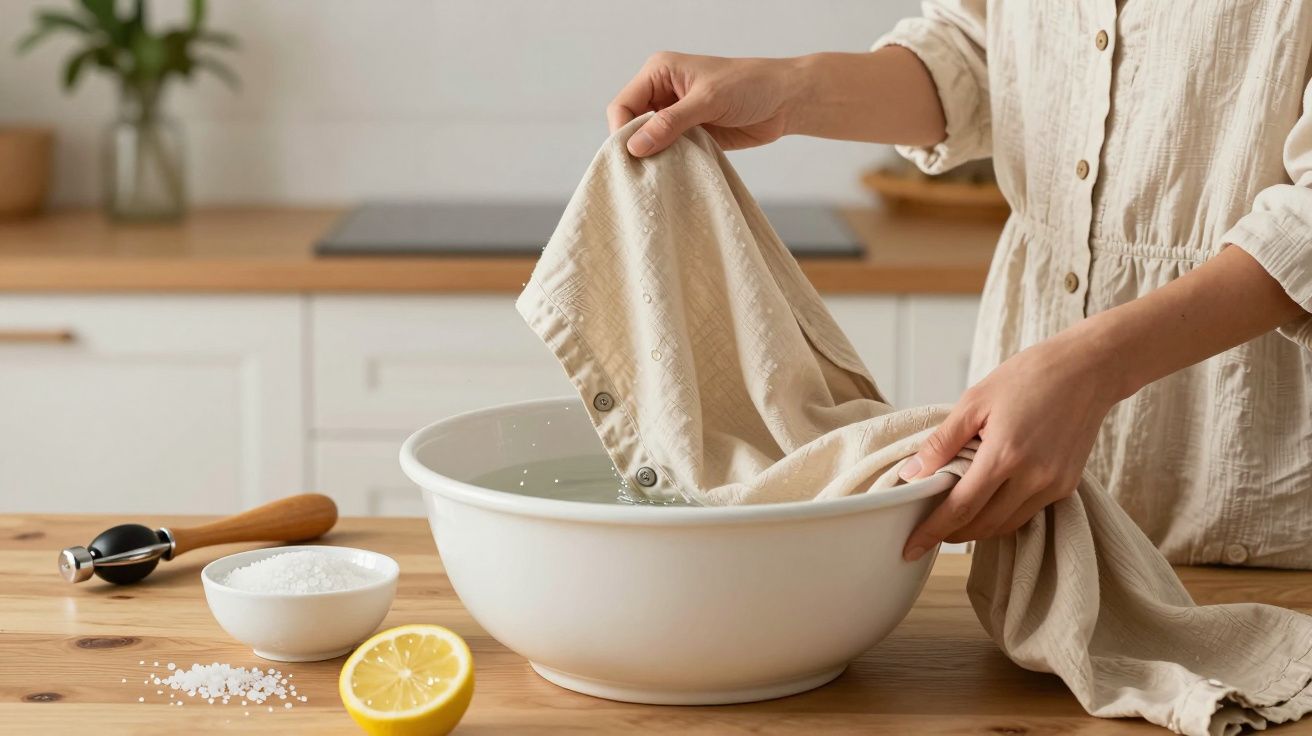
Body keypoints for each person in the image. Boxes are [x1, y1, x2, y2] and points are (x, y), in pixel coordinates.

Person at [606, 2, 1312, 568]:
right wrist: (789, 90)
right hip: (1029, 450)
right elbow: (978, 56)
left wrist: (1095, 367)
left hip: (1258, 490)